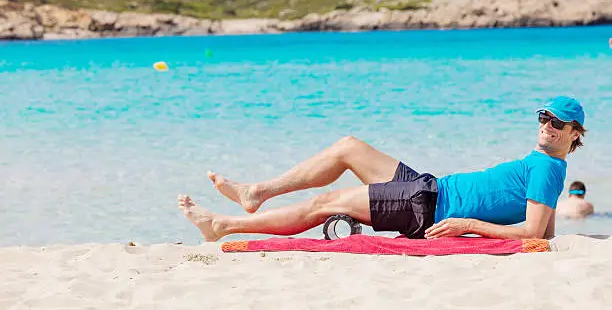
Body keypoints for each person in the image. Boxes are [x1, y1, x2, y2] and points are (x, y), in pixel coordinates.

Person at [178, 96, 587, 241]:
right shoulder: (545, 166)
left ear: (573, 134)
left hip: (426, 209)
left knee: (325, 202)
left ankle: (223, 227)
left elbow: (534, 233)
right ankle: (258, 193)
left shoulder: (550, 167)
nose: (545, 126)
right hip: (429, 187)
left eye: (556, 123)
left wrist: (468, 224)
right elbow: (544, 230)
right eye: (542, 117)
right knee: (348, 147)